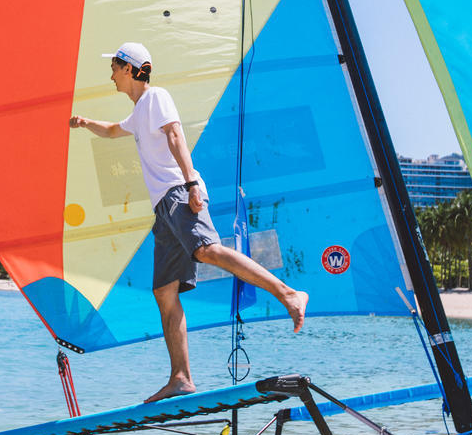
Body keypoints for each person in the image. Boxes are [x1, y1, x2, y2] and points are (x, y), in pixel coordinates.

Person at [69, 42, 309, 402]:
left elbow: (175, 136)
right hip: (164, 210)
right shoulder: (138, 113)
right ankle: (181, 377)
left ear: (134, 69)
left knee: (209, 251)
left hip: (180, 193)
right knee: (164, 290)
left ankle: (288, 293)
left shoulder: (157, 97)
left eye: (116, 67)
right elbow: (113, 130)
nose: (111, 75)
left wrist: (192, 182)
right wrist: (85, 122)